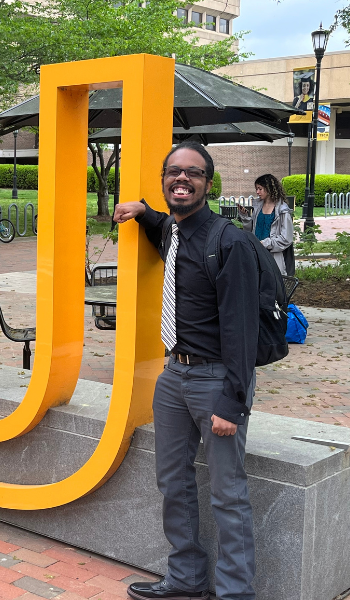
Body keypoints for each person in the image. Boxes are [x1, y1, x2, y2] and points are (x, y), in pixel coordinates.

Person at [113, 141, 259, 600]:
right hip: (173, 376)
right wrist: (142, 210)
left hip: (217, 380)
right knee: (173, 483)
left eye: (193, 173)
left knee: (227, 494)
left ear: (207, 184)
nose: (182, 179)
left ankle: (235, 593)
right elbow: (166, 222)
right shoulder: (172, 232)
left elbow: (242, 330)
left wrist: (232, 403)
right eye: (174, 172)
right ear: (164, 180)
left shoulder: (229, 240)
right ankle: (187, 579)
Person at [237, 174, 294, 276]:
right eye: (256, 189)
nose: (257, 192)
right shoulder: (258, 207)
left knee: (272, 286)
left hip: (272, 257)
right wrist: (245, 216)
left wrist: (265, 243)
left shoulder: (282, 211)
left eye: (260, 189)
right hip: (256, 254)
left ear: (269, 188)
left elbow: (286, 238)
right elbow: (250, 230)